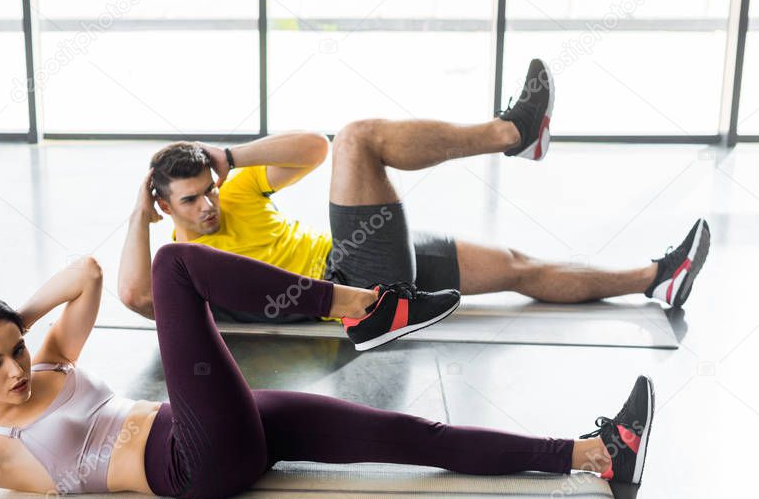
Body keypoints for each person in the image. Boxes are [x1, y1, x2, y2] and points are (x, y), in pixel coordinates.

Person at [0, 244, 655, 499]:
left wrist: (13, 324)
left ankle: (595, 452)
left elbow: (87, 272)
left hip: (229, 422)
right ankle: (360, 307)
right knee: (175, 266)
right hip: (191, 460)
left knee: (412, 434)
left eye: (15, 351)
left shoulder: (50, 362)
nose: (15, 369)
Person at [118, 59, 710, 329]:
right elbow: (133, 296)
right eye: (190, 201)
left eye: (207, 191)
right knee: (358, 139)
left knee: (517, 268)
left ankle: (657, 277)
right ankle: (514, 133)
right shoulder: (179, 264)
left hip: (360, 256)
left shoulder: (236, 190)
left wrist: (233, 157)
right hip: (350, 286)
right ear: (165, 207)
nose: (207, 205)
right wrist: (136, 220)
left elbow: (310, 150)